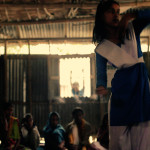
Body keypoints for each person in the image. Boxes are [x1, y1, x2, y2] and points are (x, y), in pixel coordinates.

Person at [93, 0, 150, 149]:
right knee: (119, 142)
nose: (116, 15)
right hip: (121, 97)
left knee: (142, 141)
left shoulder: (132, 28)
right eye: (111, 11)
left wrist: (129, 15)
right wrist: (100, 86)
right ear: (101, 16)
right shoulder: (102, 48)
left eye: (118, 12)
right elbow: (101, 75)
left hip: (141, 91)